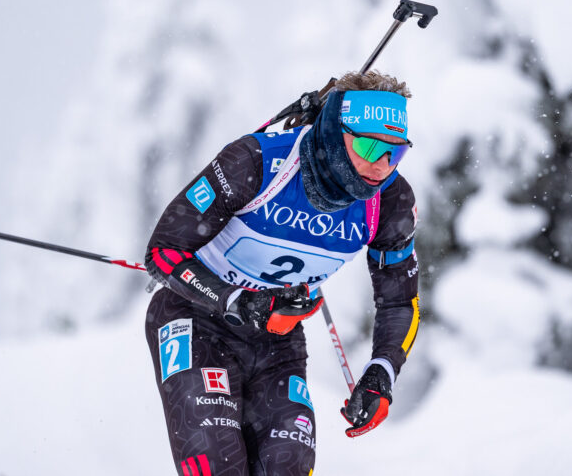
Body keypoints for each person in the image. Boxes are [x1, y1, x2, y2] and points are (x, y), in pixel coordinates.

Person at [144, 70, 420, 476]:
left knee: (285, 468)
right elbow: (164, 251)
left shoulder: (391, 200)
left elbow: (399, 298)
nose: (382, 165)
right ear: (334, 132)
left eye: (395, 153)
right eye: (368, 145)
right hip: (197, 321)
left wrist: (382, 372)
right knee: (219, 467)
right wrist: (238, 300)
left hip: (276, 343)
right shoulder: (256, 162)